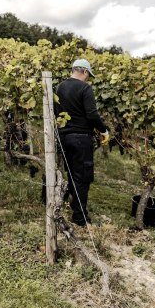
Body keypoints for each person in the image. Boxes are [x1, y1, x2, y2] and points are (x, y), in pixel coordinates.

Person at [54, 59, 109, 226]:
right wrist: (104, 130)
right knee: (83, 177)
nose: (88, 78)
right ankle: (80, 218)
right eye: (88, 75)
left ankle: (71, 206)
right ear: (84, 72)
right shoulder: (85, 88)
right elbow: (92, 115)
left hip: (63, 137)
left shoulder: (59, 87)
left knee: (71, 173)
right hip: (81, 138)